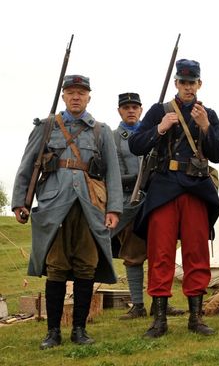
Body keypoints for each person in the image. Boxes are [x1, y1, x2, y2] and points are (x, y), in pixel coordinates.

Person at [12, 75, 123, 349]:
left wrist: (114, 209)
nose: (76, 97)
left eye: (81, 93)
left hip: (89, 207)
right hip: (54, 207)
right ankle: (53, 332)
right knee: (56, 267)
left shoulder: (101, 131)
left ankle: (79, 330)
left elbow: (113, 174)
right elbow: (27, 165)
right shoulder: (47, 127)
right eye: (71, 92)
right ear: (64, 96)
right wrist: (19, 202)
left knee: (86, 266)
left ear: (89, 97)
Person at [129, 59, 219, 338]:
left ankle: (195, 318)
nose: (187, 87)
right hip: (164, 188)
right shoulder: (160, 111)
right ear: (176, 84)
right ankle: (159, 320)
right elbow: (135, 145)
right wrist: (159, 128)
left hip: (195, 188)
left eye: (191, 82)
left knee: (196, 252)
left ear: (199, 84)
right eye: (183, 82)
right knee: (160, 254)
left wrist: (206, 127)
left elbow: (218, 154)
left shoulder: (208, 114)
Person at [110, 92, 185, 320]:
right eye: (126, 107)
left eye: (135, 107)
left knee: (161, 252)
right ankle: (138, 304)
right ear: (120, 111)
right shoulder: (112, 138)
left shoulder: (155, 128)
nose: (131, 111)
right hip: (128, 201)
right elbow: (110, 173)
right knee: (133, 255)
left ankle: (160, 303)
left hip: (155, 198)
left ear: (141, 110)